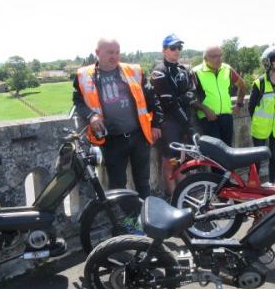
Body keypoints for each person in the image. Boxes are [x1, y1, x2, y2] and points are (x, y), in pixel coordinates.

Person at [72, 38, 162, 199]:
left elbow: (152, 98)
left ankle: (148, 217)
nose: (114, 56)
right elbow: (78, 101)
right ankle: (128, 221)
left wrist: (156, 124)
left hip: (139, 136)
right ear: (98, 53)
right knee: (118, 184)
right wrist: (91, 116)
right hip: (111, 140)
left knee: (143, 181)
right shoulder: (83, 75)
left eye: (117, 52)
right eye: (110, 52)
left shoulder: (133, 71)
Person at [150, 34, 196, 196]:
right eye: (173, 48)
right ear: (164, 50)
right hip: (169, 124)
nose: (177, 51)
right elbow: (169, 103)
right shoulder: (159, 72)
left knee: (184, 161)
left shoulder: (184, 70)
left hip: (184, 120)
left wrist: (182, 98)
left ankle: (184, 195)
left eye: (179, 48)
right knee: (170, 161)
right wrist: (184, 99)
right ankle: (174, 196)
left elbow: (194, 92)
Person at [248, 45, 275, 186]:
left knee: (274, 156)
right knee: (257, 158)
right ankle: (253, 185)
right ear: (268, 61)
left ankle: (272, 183)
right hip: (261, 127)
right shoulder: (259, 83)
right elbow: (251, 107)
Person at [192, 45, 246, 146]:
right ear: (205, 58)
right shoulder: (195, 72)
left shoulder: (227, 69)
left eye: (220, 55)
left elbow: (242, 85)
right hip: (208, 119)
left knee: (228, 150)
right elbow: (190, 98)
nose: (219, 59)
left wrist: (239, 104)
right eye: (214, 56)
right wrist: (205, 109)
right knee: (214, 153)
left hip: (226, 117)